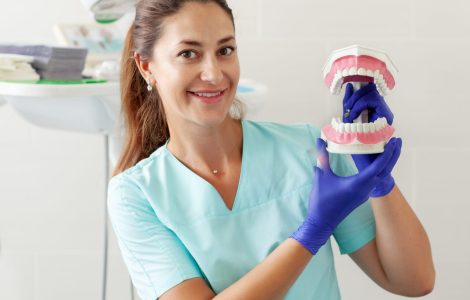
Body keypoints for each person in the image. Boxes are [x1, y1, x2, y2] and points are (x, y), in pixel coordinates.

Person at [108, 0, 435, 299]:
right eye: (188, 54)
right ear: (146, 66)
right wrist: (313, 231)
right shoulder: (137, 195)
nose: (213, 73)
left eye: (225, 50)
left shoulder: (308, 151)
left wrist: (379, 180)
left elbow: (414, 281)